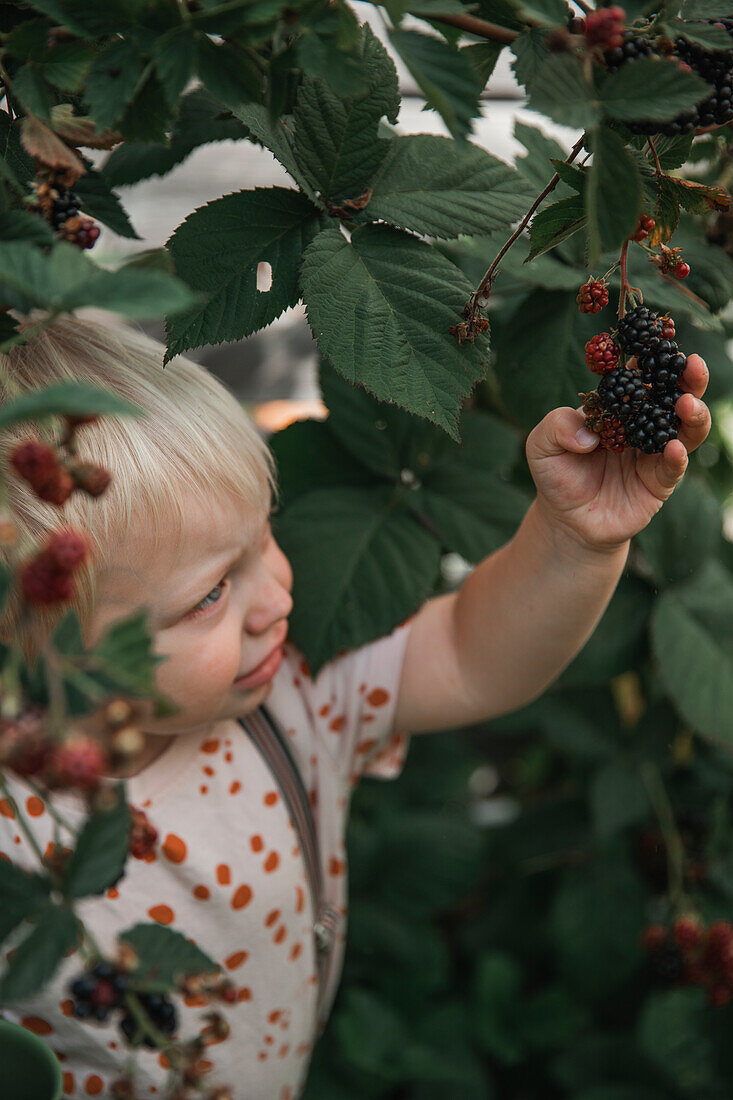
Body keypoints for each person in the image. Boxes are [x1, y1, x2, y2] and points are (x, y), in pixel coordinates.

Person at [0, 312, 712, 1099]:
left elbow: (473, 656)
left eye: (262, 536)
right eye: (208, 594)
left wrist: (577, 538)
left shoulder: (286, 693)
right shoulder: (18, 849)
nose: (273, 596)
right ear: (29, 641)